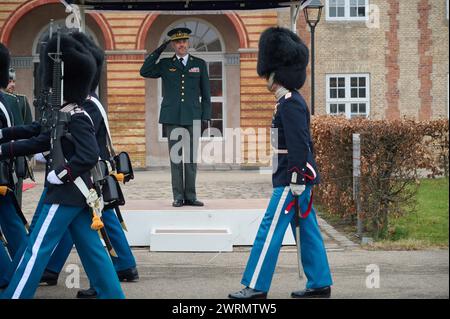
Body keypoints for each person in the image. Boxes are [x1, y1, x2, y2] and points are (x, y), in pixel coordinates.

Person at [0, 34, 124, 299]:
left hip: (67, 191)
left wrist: (63, 174)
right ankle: (113, 295)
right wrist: (5, 146)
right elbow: (41, 138)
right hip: (76, 194)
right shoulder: (66, 111)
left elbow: (89, 154)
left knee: (36, 249)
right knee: (93, 250)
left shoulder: (77, 115)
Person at [228, 27, 333, 299]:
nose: (267, 78)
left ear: (277, 74)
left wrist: (297, 176)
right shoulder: (286, 102)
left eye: (269, 73)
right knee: (307, 231)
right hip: (291, 176)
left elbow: (300, 143)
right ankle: (320, 283)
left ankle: (255, 286)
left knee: (269, 230)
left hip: (291, 179)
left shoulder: (290, 103)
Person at [140, 27, 211, 207]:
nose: (182, 44)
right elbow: (145, 70)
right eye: (178, 42)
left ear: (188, 43)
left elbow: (206, 94)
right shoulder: (165, 64)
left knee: (191, 159)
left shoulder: (199, 64)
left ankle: (191, 196)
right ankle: (178, 196)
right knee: (176, 158)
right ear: (173, 44)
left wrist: (206, 118)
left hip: (194, 117)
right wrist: (159, 50)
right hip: (172, 117)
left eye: (184, 41)